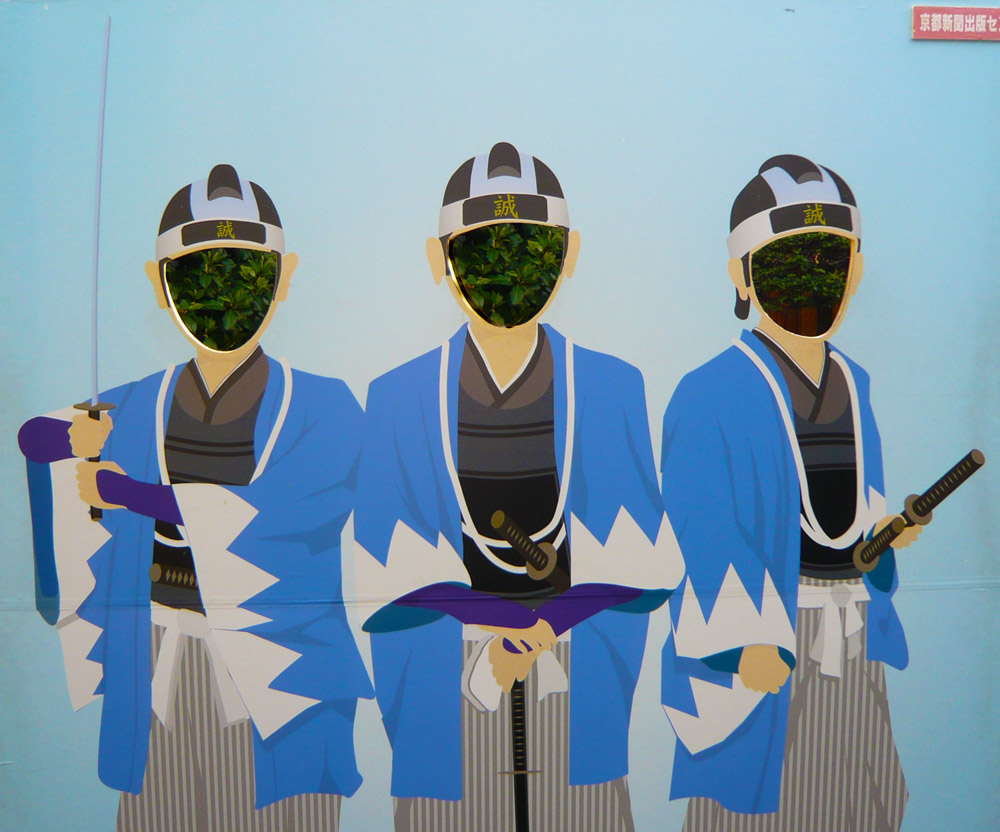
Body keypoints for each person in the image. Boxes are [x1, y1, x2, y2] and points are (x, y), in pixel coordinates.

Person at [17, 164, 373, 832]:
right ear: (160, 285)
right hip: (160, 668)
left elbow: (274, 517)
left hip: (282, 679)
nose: (223, 297)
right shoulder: (140, 403)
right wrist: (73, 436)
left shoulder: (326, 408)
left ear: (284, 277)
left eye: (246, 273)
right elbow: (33, 437)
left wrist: (125, 491)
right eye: (197, 276)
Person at [354, 142, 685, 831]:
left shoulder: (611, 387)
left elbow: (643, 559)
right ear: (439, 260)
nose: (506, 277)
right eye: (481, 252)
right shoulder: (398, 397)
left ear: (569, 255)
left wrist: (544, 627)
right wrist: (493, 637)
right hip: (449, 672)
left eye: (531, 252)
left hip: (575, 660)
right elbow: (386, 568)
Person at [659, 155, 920, 831]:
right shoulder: (708, 392)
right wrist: (742, 642)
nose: (809, 284)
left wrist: (883, 542)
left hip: (852, 643)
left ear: (854, 271)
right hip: (765, 650)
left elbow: (857, 515)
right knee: (759, 808)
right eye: (785, 265)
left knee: (863, 804)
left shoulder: (855, 383)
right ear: (742, 274)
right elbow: (701, 532)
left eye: (827, 264)